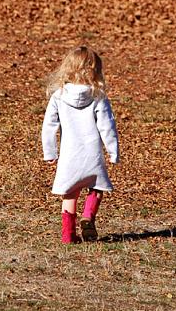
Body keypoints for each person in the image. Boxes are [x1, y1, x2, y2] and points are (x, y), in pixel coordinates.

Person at [41, 46, 119, 244]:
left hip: (69, 155)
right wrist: (113, 151)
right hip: (92, 154)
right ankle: (88, 217)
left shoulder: (58, 96)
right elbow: (107, 126)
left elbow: (49, 126)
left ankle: (68, 235)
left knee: (70, 194)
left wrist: (50, 152)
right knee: (97, 188)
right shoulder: (97, 96)